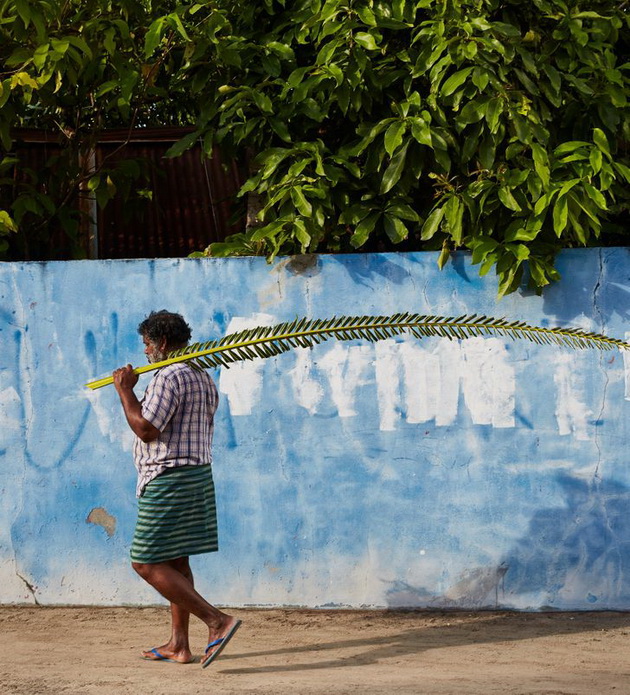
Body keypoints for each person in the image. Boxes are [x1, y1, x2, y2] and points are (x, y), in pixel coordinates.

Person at [112, 310, 240, 668]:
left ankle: (217, 621)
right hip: (196, 476)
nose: (145, 352)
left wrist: (125, 391)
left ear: (163, 343)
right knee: (175, 559)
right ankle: (178, 645)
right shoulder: (202, 374)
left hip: (169, 480)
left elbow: (146, 428)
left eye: (147, 344)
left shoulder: (169, 376)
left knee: (146, 561)